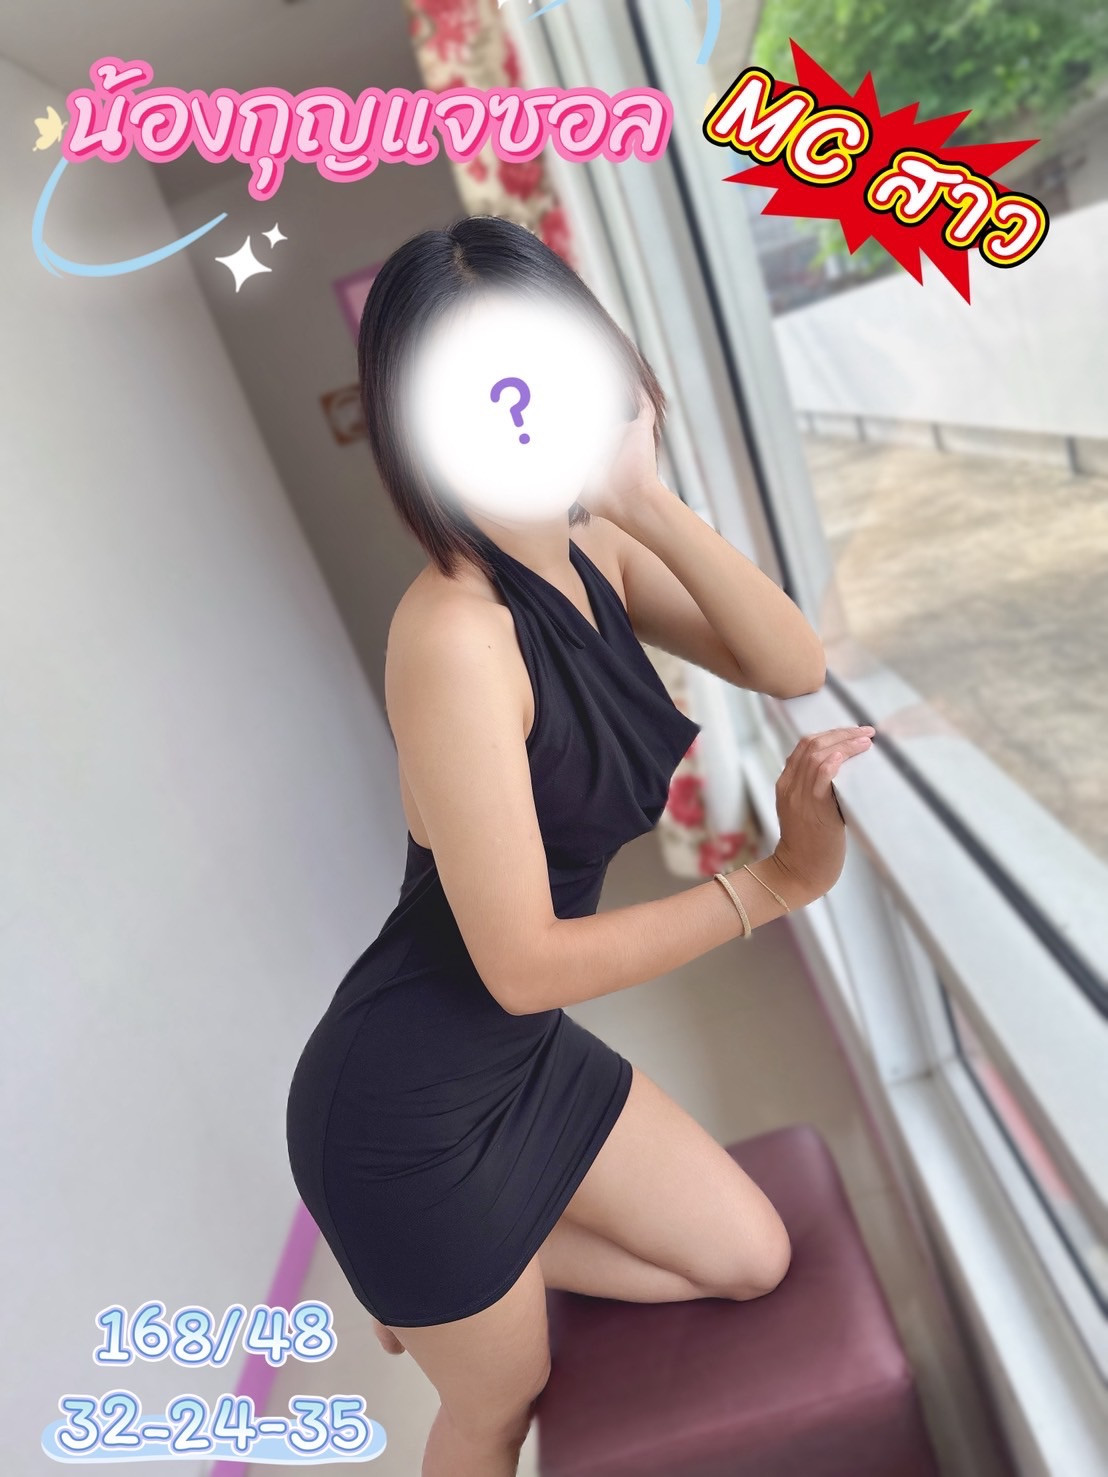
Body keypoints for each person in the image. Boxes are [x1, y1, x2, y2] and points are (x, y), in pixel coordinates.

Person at [285, 214, 874, 1477]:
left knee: (752, 1256)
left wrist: (644, 498)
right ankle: (424, 1267)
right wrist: (771, 883)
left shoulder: (596, 549)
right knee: (502, 1404)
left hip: (520, 1063)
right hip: (403, 1112)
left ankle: (442, 1275)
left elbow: (790, 662)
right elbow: (521, 966)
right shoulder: (452, 636)